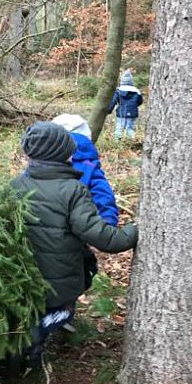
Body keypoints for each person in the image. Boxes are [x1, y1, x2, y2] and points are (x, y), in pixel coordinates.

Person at [9, 122, 137, 367]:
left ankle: (28, 356)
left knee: (35, 310)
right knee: (61, 312)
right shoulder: (73, 190)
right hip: (61, 280)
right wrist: (134, 232)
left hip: (24, 277)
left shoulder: (15, 186)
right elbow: (103, 237)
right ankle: (32, 337)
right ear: (62, 154)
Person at [51, 113, 119, 308]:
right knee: (77, 267)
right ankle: (66, 309)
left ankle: (54, 309)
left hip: (46, 225)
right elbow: (101, 192)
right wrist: (108, 221)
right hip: (79, 227)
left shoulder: (46, 158)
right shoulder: (89, 161)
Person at [107, 70, 143, 140]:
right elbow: (140, 101)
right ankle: (133, 140)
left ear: (122, 81)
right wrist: (134, 106)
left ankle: (117, 141)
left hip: (121, 113)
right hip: (132, 113)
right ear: (131, 81)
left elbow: (113, 101)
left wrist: (109, 110)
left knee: (119, 128)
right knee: (130, 128)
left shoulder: (118, 91)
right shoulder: (136, 91)